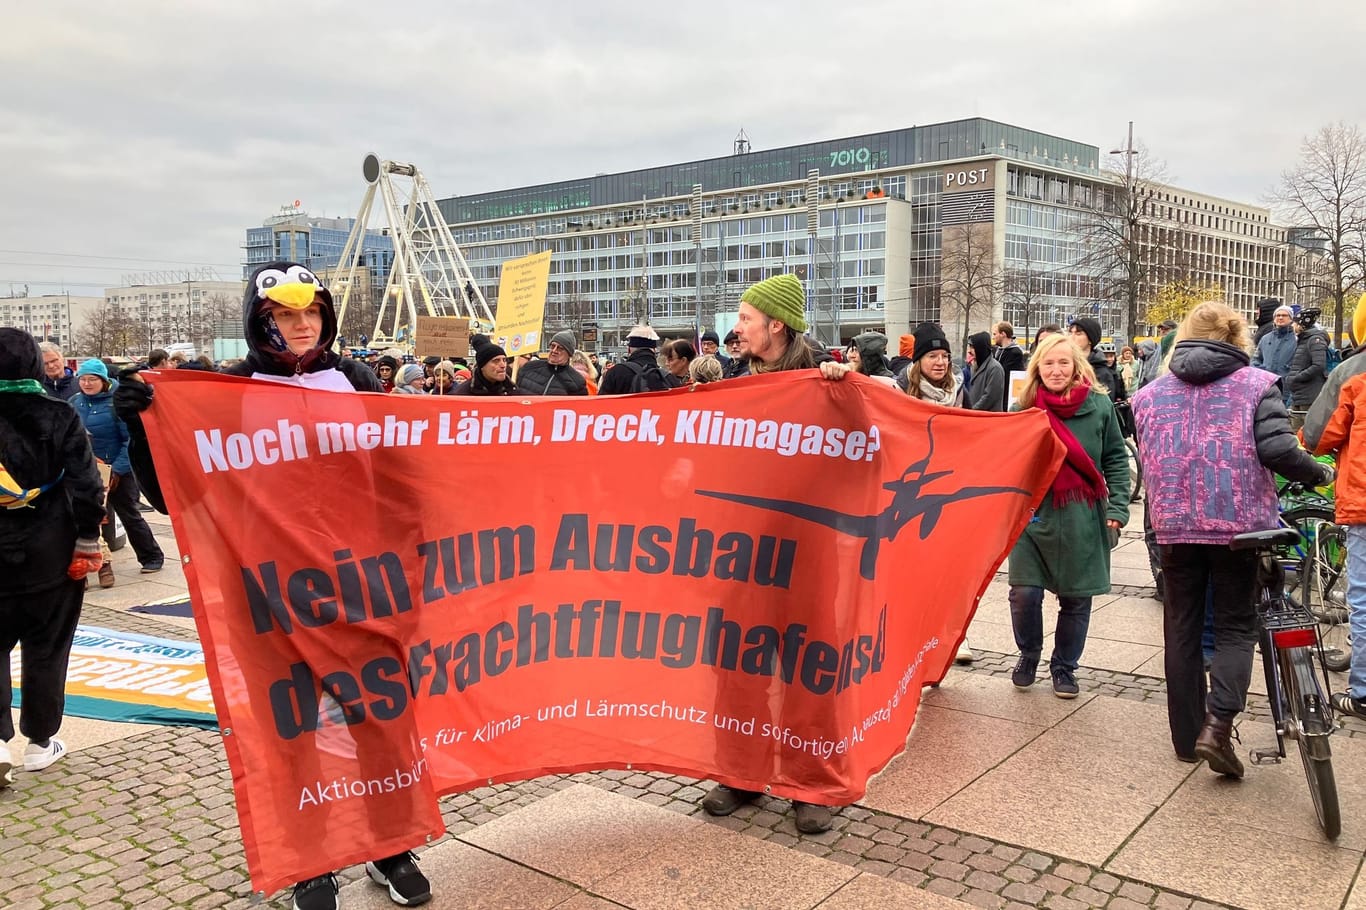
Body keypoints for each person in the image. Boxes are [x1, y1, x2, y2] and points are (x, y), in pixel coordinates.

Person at [113, 262, 425, 910]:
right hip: (270, 595)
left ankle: (390, 846)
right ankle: (311, 863)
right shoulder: (227, 391)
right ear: (262, 323)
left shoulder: (358, 380)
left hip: (359, 587)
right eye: (285, 315)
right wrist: (144, 431)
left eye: (310, 313)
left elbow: (401, 478)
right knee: (292, 732)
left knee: (380, 721)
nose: (301, 324)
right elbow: (179, 496)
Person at [1135, 302, 1332, 776]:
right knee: (1235, 626)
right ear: (1238, 338)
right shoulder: (1257, 385)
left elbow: (1149, 455)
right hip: (1240, 528)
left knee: (1181, 628)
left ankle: (1186, 740)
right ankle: (1217, 727)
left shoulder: (1150, 393)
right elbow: (1280, 450)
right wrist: (1318, 473)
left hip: (1174, 526)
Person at [700, 273, 850, 835]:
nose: (735, 329)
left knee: (809, 666)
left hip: (808, 547)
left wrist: (846, 390)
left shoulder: (824, 379)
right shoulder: (741, 384)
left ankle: (811, 783)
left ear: (775, 325)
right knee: (737, 660)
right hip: (744, 548)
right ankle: (741, 772)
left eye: (744, 318)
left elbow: (875, 435)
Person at [0, 329, 106, 787]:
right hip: (52, 551)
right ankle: (40, 742)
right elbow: (86, 484)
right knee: (48, 648)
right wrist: (88, 539)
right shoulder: (59, 414)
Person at [1008, 333, 1130, 698]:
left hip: (1083, 514)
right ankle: (1028, 654)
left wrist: (1118, 510)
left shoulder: (1099, 406)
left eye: (1064, 362)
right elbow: (1007, 463)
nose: (1056, 370)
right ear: (1037, 368)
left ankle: (1064, 667)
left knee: (1077, 598)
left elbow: (1116, 460)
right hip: (1035, 515)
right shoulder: (1023, 409)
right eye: (1049, 363)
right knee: (1024, 593)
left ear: (1077, 366)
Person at [1303, 293, 1366, 723]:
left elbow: (1318, 434)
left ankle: (1362, 694)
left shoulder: (1353, 371)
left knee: (1363, 596)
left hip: (1364, 498)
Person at [70, 359, 164, 575]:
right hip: (89, 470)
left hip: (119, 468)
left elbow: (129, 438)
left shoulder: (117, 402)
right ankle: (100, 563)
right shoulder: (75, 402)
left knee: (129, 514)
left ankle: (151, 556)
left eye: (92, 379)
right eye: (83, 379)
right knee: (90, 516)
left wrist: (118, 469)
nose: (87, 383)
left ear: (103, 380)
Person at [896, 322, 964, 407]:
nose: (940, 362)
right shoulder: (900, 391)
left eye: (945, 356)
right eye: (932, 356)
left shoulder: (959, 390)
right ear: (918, 360)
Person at [1287, 307, 1330, 429]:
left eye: (1295, 323)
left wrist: (1297, 377)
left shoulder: (1315, 340)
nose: (1292, 326)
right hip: (1299, 394)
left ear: (1302, 324)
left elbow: (1318, 365)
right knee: (1296, 431)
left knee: (1306, 430)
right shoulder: (1304, 339)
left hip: (1309, 394)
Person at [598, 324, 672, 395]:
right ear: (654, 350)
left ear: (629, 350)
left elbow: (602, 403)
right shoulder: (666, 376)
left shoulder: (616, 372)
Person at [516, 330, 587, 395]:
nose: (554, 350)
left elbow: (578, 407)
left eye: (560, 348)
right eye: (552, 346)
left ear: (569, 353)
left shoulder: (577, 382)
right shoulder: (530, 367)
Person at [1251, 304, 1296, 401]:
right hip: (1266, 387)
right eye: (1277, 315)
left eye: (1284, 315)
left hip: (1287, 389)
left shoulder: (1296, 339)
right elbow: (1255, 359)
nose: (1280, 317)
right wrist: (1262, 371)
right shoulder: (1265, 338)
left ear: (1291, 319)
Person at [453, 336, 518, 396]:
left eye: (504, 360)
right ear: (482, 366)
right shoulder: (461, 394)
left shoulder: (515, 392)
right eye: (496, 361)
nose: (503, 365)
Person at [966, 331, 1005, 412]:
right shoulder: (975, 366)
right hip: (976, 418)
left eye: (972, 347)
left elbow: (989, 397)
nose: (969, 351)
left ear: (980, 348)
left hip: (988, 419)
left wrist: (971, 411)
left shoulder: (995, 368)